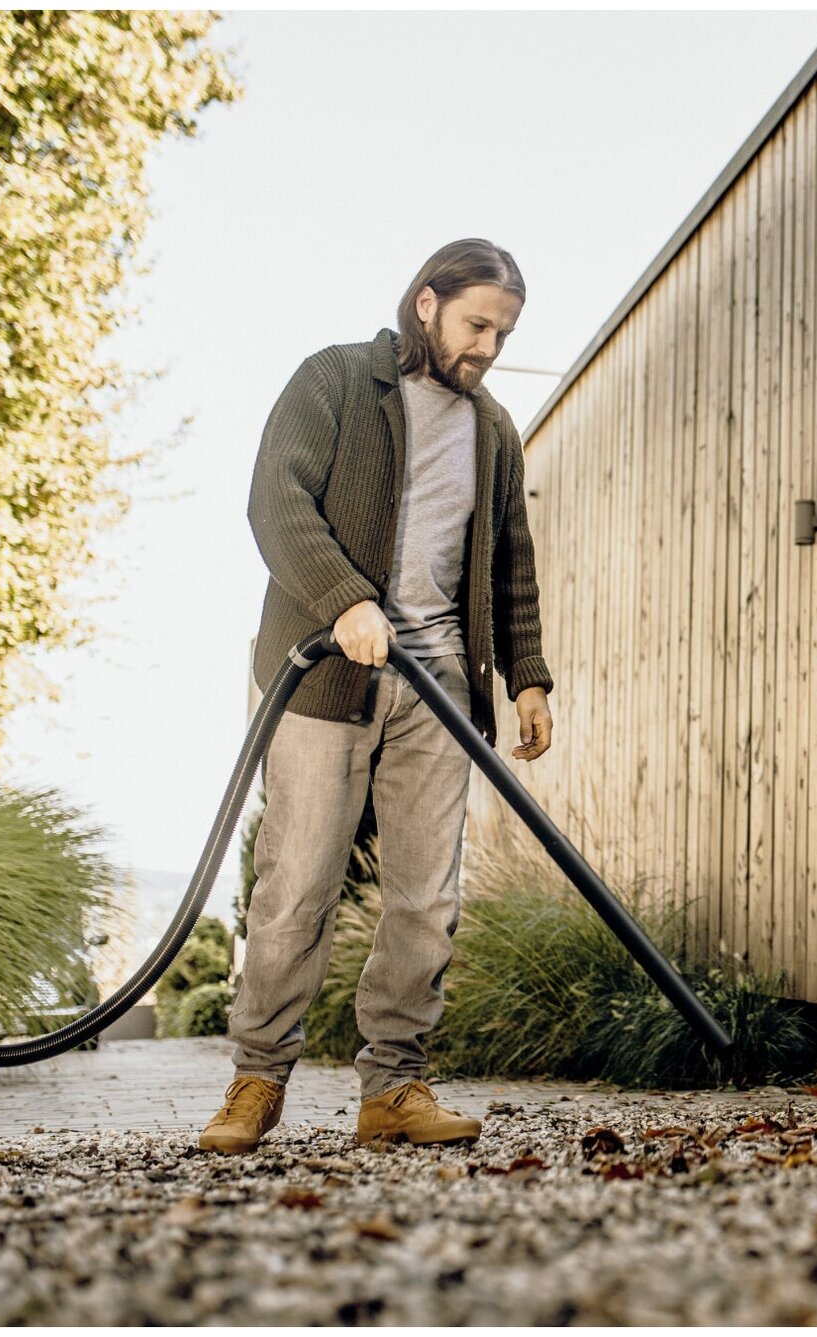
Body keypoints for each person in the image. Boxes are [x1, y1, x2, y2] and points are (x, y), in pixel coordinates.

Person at [200, 238, 555, 1154]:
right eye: (478, 323)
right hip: (326, 677)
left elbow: (511, 561)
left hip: (441, 685)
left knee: (425, 897)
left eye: (503, 334)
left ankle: (393, 1086)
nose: (486, 347)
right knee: (296, 887)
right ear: (427, 302)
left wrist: (528, 678)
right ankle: (256, 1081)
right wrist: (346, 600)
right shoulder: (335, 382)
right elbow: (276, 503)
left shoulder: (494, 431)